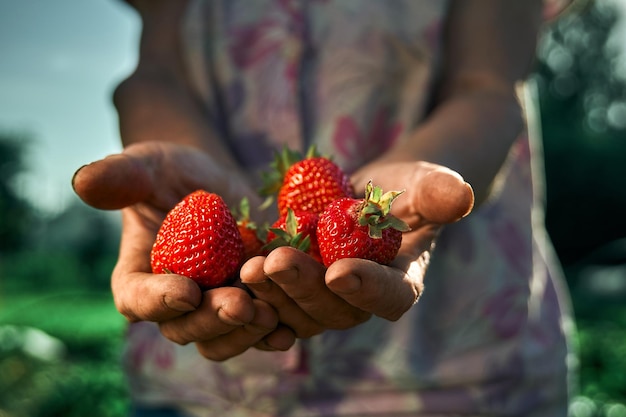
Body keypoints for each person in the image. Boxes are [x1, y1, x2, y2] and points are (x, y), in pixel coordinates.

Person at [72, 0, 576, 416]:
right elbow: (157, 74)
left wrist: (424, 177)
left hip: (462, 368)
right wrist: (177, 162)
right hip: (198, 392)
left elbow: (487, 84)